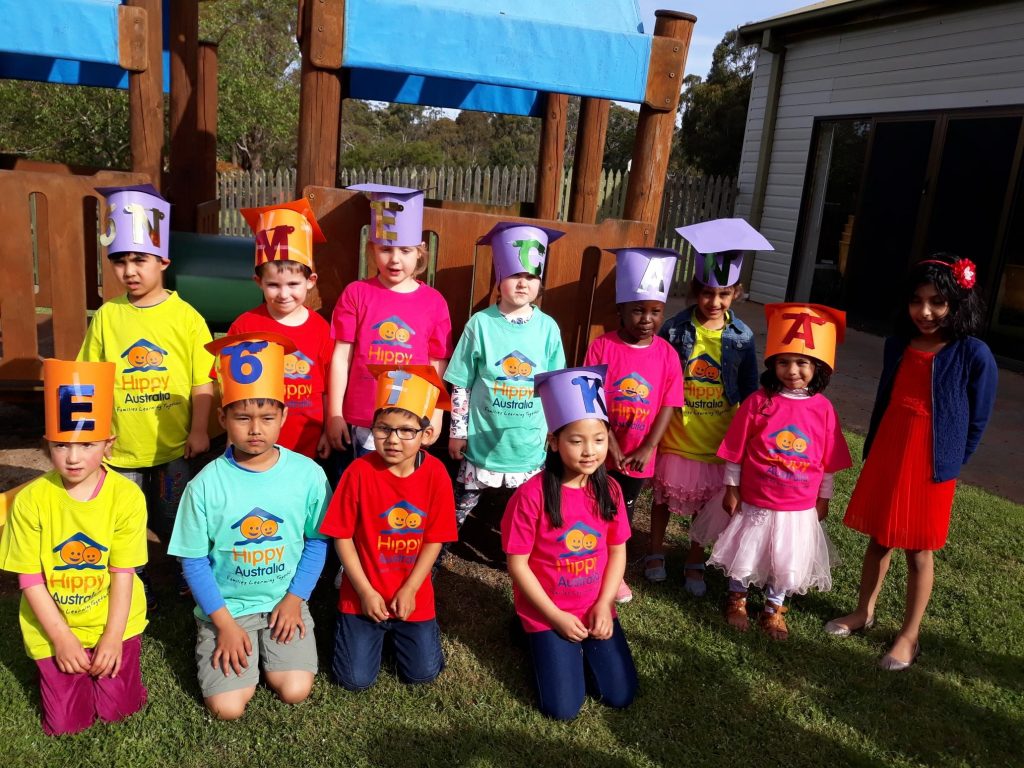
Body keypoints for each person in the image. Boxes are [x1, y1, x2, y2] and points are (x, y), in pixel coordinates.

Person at [826, 254, 997, 670]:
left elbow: (978, 418)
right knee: (879, 537)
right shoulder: (898, 344)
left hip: (932, 463)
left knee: (919, 549)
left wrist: (952, 461)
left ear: (959, 301)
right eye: (917, 300)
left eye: (938, 301)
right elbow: (887, 396)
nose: (925, 311)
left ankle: (909, 634)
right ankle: (864, 612)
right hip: (891, 448)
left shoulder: (973, 353)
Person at [168, 332, 331, 720]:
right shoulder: (205, 484)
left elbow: (316, 541)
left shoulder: (308, 475)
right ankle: (216, 636)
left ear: (284, 417)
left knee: (295, 689)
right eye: (242, 418)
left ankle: (273, 649)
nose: (255, 429)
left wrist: (294, 601)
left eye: (267, 418)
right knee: (228, 707)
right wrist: (222, 624)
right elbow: (192, 561)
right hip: (228, 609)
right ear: (222, 418)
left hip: (282, 602)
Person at [78, 184, 215, 608]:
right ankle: (135, 582)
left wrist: (198, 431)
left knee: (175, 517)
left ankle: (185, 574)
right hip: (122, 449)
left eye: (139, 259)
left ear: (163, 261)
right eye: (119, 261)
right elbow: (91, 378)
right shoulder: (107, 316)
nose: (129, 271)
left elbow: (201, 380)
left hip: (174, 445)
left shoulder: (186, 317)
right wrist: (94, 436)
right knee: (126, 520)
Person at [0, 359, 148, 735]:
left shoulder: (127, 496)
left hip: (113, 619)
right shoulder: (32, 500)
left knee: (118, 711)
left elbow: (123, 572)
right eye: (62, 445)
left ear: (109, 445)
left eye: (87, 444)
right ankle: (60, 668)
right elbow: (30, 578)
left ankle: (116, 665)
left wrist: (113, 638)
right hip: (54, 625)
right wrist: (62, 638)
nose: (73, 457)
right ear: (48, 444)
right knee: (68, 723)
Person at [708, 303, 853, 640]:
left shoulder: (823, 410)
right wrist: (732, 488)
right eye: (784, 361)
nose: (792, 370)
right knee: (746, 549)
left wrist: (824, 497)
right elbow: (735, 450)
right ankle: (737, 598)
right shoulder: (758, 403)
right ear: (772, 364)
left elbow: (827, 460)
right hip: (756, 498)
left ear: (819, 368)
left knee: (787, 557)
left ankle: (774, 608)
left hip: (798, 505)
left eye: (802, 362)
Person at [502, 365, 637, 720]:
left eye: (599, 439)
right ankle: (529, 633)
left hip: (594, 605)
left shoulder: (610, 490)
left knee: (619, 695)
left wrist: (605, 604)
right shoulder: (531, 496)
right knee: (563, 708)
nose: (589, 451)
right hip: (549, 611)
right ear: (553, 441)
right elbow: (517, 564)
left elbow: (616, 549)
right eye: (576, 440)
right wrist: (555, 617)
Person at [645, 218, 767, 595]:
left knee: (703, 504)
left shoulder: (742, 336)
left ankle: (695, 561)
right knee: (663, 499)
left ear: (736, 294)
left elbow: (749, 390)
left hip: (716, 437)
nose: (715, 302)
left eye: (725, 295)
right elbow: (661, 374)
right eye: (708, 293)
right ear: (696, 291)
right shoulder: (675, 329)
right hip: (678, 433)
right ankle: (655, 551)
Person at [320, 365, 457, 691]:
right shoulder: (358, 472)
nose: (393, 439)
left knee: (423, 674)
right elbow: (341, 535)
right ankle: (366, 631)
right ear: (372, 429)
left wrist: (410, 590)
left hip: (412, 594)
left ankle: (404, 634)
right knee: (353, 680)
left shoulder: (436, 474)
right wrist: (365, 592)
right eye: (383, 429)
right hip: (362, 593)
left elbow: (435, 539)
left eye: (406, 430)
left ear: (425, 434)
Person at [445, 222, 566, 539]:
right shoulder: (480, 324)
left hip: (528, 445)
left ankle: (525, 559)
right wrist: (457, 432)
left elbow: (555, 387)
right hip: (482, 442)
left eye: (531, 276)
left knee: (528, 511)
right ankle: (435, 554)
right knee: (460, 507)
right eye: (515, 275)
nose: (523, 284)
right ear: (499, 279)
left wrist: (554, 432)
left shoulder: (549, 328)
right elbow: (461, 382)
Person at [584, 247, 684, 603]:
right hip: (600, 449)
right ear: (620, 311)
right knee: (594, 505)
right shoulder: (601, 347)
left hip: (640, 456)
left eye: (655, 311)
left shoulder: (668, 355)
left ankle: (616, 574)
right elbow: (590, 397)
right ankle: (588, 566)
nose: (646, 318)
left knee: (622, 511)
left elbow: (669, 405)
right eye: (638, 310)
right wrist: (609, 444)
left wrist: (646, 448)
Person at [326, 185, 452, 465]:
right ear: (372, 249)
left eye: (405, 250)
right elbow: (340, 357)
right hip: (360, 420)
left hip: (410, 419)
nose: (395, 259)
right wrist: (334, 413)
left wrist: (435, 413)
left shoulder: (434, 302)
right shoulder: (356, 293)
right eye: (385, 249)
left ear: (420, 252)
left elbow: (437, 364)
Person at [229, 198, 332, 460]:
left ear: (310, 281)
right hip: (253, 447)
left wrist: (328, 429)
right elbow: (226, 386)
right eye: (274, 285)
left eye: (293, 284)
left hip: (307, 444)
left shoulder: (321, 329)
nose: (284, 294)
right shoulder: (244, 326)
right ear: (258, 282)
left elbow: (329, 387)